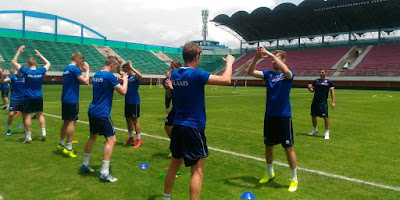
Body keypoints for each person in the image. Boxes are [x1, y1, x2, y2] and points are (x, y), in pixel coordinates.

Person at [163, 42, 235, 200]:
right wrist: (229, 63)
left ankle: (166, 198)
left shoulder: (175, 74)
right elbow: (226, 79)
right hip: (193, 127)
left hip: (178, 126)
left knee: (174, 165)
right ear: (197, 57)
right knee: (197, 170)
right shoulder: (197, 75)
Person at [247, 46, 298, 192]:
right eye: (272, 60)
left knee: (288, 148)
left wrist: (270, 54)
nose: (273, 62)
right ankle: (270, 173)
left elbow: (286, 71)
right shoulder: (268, 74)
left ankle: (294, 178)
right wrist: (256, 58)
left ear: (283, 60)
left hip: (283, 116)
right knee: (268, 146)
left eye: (276, 59)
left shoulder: (288, 74)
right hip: (269, 116)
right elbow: (250, 72)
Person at [81, 56, 128, 183]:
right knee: (111, 140)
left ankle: (85, 164)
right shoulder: (109, 76)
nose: (116, 70)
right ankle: (104, 172)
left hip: (92, 110)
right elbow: (123, 91)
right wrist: (126, 80)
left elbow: (107, 83)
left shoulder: (97, 74)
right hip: (102, 113)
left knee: (92, 137)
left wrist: (116, 80)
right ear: (112, 65)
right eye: (116, 67)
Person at [11, 45, 51, 143]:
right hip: (39, 96)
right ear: (35, 63)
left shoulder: (26, 71)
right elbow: (48, 63)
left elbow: (13, 62)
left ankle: (29, 136)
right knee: (40, 115)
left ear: (28, 64)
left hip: (28, 97)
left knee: (27, 116)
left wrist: (18, 52)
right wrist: (40, 55)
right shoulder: (41, 71)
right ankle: (43, 133)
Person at [57, 52, 90, 157]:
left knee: (66, 122)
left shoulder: (66, 68)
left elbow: (74, 76)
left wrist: (81, 70)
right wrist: (88, 70)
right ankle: (69, 147)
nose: (81, 62)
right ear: (77, 59)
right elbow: (85, 81)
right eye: (80, 60)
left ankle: (61, 143)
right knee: (72, 122)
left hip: (65, 99)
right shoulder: (74, 69)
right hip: (72, 99)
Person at [307, 68, 335, 139]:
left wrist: (333, 102)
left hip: (323, 102)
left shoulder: (329, 82)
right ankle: (315, 130)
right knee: (313, 115)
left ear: (325, 73)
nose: (321, 73)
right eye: (320, 72)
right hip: (315, 101)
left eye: (322, 72)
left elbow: (332, 92)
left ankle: (327, 133)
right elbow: (312, 91)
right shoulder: (316, 81)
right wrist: (309, 87)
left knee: (325, 117)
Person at [121, 60, 143, 149]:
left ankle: (139, 140)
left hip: (134, 102)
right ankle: (131, 137)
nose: (124, 72)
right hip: (127, 102)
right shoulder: (127, 78)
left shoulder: (134, 77)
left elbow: (141, 76)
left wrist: (132, 67)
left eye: (126, 70)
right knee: (128, 120)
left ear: (129, 69)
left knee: (135, 121)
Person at [164, 61, 182, 157]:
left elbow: (182, 95)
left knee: (179, 130)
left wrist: (172, 87)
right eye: (170, 68)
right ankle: (176, 145)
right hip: (175, 107)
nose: (171, 70)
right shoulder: (171, 79)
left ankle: (178, 148)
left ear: (178, 68)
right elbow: (169, 95)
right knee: (167, 126)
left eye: (172, 68)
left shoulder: (182, 78)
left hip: (182, 108)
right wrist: (168, 88)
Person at [1, 68, 25, 136]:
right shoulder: (13, 76)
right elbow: (3, 81)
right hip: (14, 98)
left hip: (24, 99)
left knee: (24, 115)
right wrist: (3, 78)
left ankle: (26, 129)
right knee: (11, 114)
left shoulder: (25, 77)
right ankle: (9, 129)